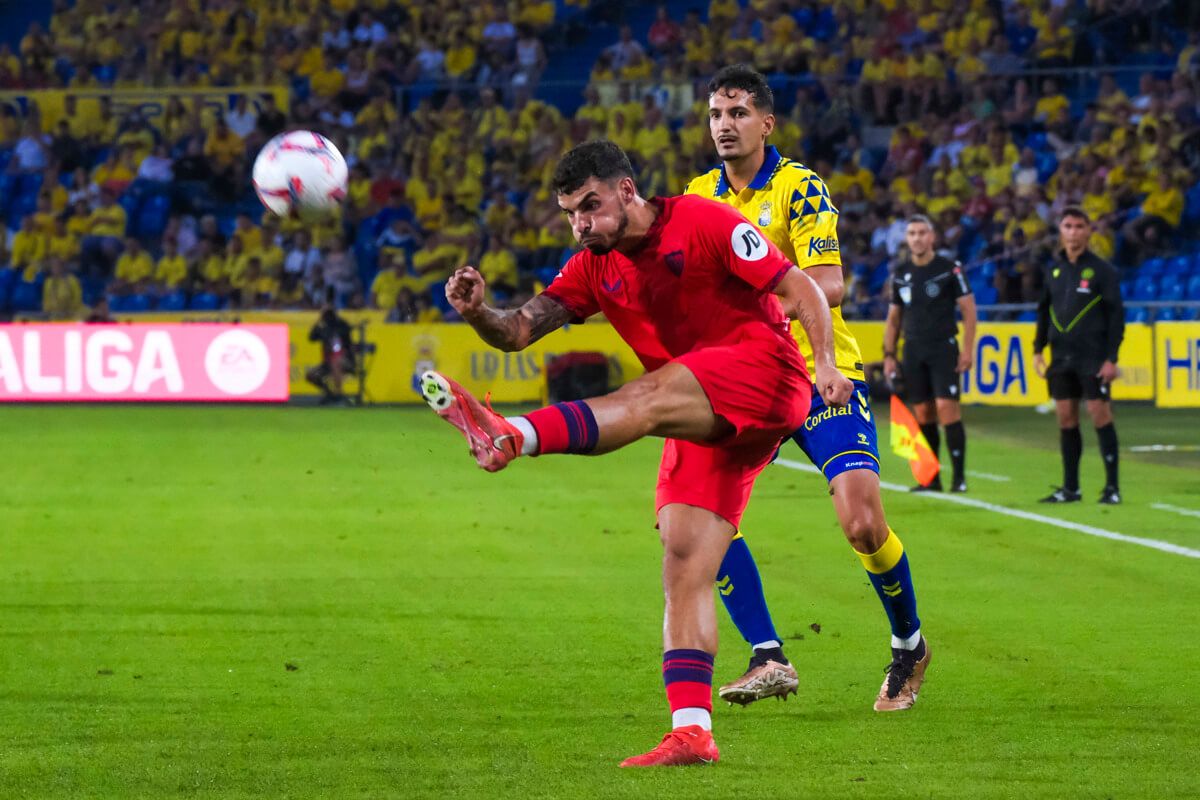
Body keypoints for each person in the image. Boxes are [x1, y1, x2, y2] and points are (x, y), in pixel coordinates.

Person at [420, 140, 852, 767]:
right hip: (702, 408)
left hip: (765, 372)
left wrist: (829, 366)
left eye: (589, 206)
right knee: (683, 561)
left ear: (626, 190)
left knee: (648, 393)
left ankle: (512, 433)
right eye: (570, 212)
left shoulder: (703, 220)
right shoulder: (593, 264)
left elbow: (803, 288)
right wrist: (477, 310)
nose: (580, 223)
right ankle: (693, 731)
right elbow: (518, 330)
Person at [685, 65, 931, 713]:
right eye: (715, 114)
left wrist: (747, 304)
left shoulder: (800, 188)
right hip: (747, 383)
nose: (724, 125)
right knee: (703, 519)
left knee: (861, 521)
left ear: (766, 123)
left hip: (820, 372)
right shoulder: (698, 198)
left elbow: (829, 284)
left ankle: (909, 644)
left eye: (737, 113)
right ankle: (768, 656)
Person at [1033, 207, 1125, 505]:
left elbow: (1116, 317)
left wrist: (1111, 358)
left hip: (1093, 358)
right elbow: (1043, 312)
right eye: (1068, 226)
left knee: (1100, 415)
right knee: (1066, 419)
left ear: (1088, 231)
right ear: (1061, 231)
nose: (1073, 232)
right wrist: (1037, 349)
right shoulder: (1054, 270)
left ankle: (1112, 487)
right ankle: (1070, 488)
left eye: (1078, 226)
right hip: (1061, 359)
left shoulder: (1103, 271)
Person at [884, 215, 977, 492]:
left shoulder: (950, 269)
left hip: (943, 347)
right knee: (923, 413)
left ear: (932, 237)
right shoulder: (900, 273)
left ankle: (959, 478)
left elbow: (969, 311)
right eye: (912, 233)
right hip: (913, 349)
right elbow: (893, 318)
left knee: (947, 408)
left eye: (922, 233)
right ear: (907, 238)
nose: (917, 238)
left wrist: (968, 349)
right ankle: (931, 478)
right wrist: (889, 354)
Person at [307, 301, 357, 405]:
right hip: (328, 362)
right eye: (326, 314)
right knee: (311, 375)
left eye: (329, 313)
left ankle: (339, 394)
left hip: (345, 360)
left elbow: (348, 341)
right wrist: (319, 321)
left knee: (336, 362)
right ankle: (330, 394)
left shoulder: (342, 325)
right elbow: (311, 337)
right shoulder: (323, 327)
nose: (328, 316)